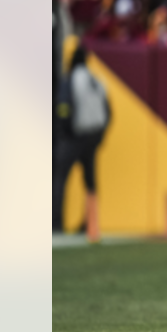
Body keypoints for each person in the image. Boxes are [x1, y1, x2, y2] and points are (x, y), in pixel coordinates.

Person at [53, 45, 111, 234]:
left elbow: (63, 107)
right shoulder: (96, 79)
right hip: (93, 135)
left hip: (74, 134)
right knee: (90, 180)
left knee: (60, 177)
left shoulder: (71, 80)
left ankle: (56, 223)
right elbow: (109, 112)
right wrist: (101, 135)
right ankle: (90, 222)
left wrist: (63, 132)